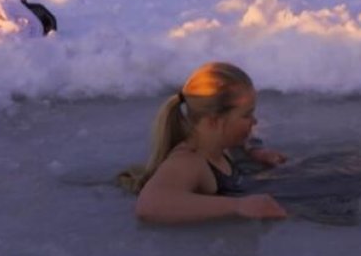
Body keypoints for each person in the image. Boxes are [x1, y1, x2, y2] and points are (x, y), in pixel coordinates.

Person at [123, 62, 288, 224]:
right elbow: (150, 205)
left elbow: (243, 139)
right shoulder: (190, 161)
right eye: (247, 115)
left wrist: (256, 151)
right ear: (214, 121)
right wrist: (239, 206)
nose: (255, 121)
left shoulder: (218, 143)